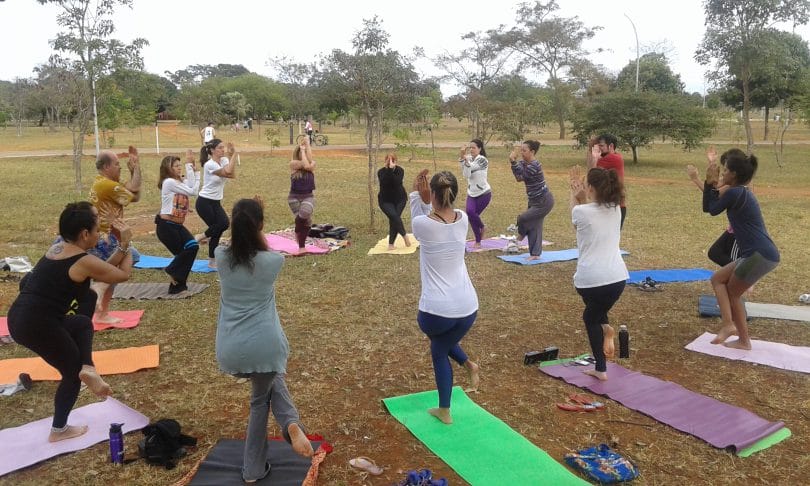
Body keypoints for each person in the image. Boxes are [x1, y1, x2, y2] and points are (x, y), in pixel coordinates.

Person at [7, 202, 132, 442]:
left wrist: (122, 247)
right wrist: (126, 243)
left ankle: (89, 368)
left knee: (83, 323)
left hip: (22, 317)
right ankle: (59, 430)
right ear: (85, 234)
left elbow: (104, 268)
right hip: (37, 324)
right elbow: (122, 274)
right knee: (71, 373)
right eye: (96, 230)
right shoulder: (82, 260)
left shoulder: (59, 249)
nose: (98, 234)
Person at [215, 198, 314, 482]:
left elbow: (231, 247)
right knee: (261, 396)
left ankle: (290, 427)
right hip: (266, 346)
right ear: (260, 226)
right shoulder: (274, 261)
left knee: (269, 379)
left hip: (230, 350)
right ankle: (283, 433)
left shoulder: (222, 257)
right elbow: (262, 251)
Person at [409, 169, 480, 425]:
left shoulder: (423, 225)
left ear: (434, 196)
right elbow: (431, 215)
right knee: (443, 340)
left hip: (434, 312)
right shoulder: (462, 219)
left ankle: (445, 410)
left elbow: (416, 220)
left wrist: (419, 195)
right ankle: (468, 364)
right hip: (468, 308)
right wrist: (428, 198)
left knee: (438, 349)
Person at [702, 149, 779, 350]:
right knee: (717, 279)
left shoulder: (735, 192)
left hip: (759, 254)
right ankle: (735, 332)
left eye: (725, 170)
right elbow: (708, 206)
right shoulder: (739, 191)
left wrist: (710, 183)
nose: (723, 173)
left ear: (734, 174)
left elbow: (712, 209)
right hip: (758, 253)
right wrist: (708, 183)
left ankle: (734, 331)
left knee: (733, 293)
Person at [569, 167, 629, 381]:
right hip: (618, 279)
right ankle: (605, 328)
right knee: (597, 309)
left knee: (589, 316)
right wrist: (583, 197)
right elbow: (590, 215)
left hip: (590, 280)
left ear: (591, 189)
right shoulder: (615, 210)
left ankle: (600, 369)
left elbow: (576, 220)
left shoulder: (580, 211)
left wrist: (574, 196)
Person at [88, 147, 142, 324]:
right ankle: (98, 290)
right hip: (106, 237)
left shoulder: (107, 184)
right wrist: (136, 168)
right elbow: (134, 189)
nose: (120, 167)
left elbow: (135, 195)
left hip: (109, 235)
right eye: (117, 164)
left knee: (121, 265)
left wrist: (133, 170)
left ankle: (101, 310)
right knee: (128, 259)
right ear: (106, 167)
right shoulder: (107, 185)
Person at [156, 150, 201, 294]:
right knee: (186, 252)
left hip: (177, 226)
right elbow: (193, 192)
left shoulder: (178, 181)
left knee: (191, 248)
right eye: (176, 166)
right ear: (168, 169)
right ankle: (173, 273)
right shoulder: (169, 182)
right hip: (166, 227)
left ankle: (177, 287)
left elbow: (192, 185)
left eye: (180, 165)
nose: (179, 167)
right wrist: (189, 165)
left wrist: (194, 172)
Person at [687, 146, 741, 267]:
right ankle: (739, 276)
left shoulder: (737, 186)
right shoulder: (732, 182)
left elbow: (712, 197)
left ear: (735, 171)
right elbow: (713, 190)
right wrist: (711, 163)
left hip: (741, 231)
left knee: (733, 263)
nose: (723, 172)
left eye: (726, 169)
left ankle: (744, 276)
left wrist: (696, 179)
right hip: (733, 228)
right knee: (715, 252)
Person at [508, 140, 555, 261]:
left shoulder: (535, 165)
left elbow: (522, 176)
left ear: (532, 151)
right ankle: (535, 254)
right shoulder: (524, 163)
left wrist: (513, 162)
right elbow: (518, 177)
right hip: (533, 200)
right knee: (535, 226)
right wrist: (513, 163)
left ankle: (518, 239)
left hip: (543, 201)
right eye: (521, 150)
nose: (522, 153)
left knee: (523, 218)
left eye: (524, 150)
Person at [196, 138, 238, 269]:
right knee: (221, 224)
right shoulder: (210, 164)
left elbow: (231, 175)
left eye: (223, 147)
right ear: (212, 150)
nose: (223, 149)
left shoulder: (224, 160)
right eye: (220, 147)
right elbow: (228, 172)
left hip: (216, 201)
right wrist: (234, 155)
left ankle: (211, 260)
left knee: (220, 227)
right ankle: (201, 237)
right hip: (204, 202)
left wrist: (230, 157)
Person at [587, 133, 627, 228]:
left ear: (611, 146)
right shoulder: (616, 156)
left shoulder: (612, 158)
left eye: (601, 146)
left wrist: (593, 155)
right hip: (612, 204)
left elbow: (591, 174)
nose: (599, 149)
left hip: (613, 206)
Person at [459, 138, 491, 249]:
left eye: (474, 147)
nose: (471, 150)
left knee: (472, 215)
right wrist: (463, 157)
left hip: (484, 193)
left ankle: (478, 240)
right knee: (470, 213)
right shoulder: (468, 158)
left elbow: (469, 169)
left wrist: (463, 158)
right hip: (471, 193)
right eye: (470, 147)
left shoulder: (482, 160)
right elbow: (466, 175)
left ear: (480, 149)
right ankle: (482, 227)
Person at [377, 152, 411, 250]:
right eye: (388, 160)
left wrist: (392, 170)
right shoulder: (381, 172)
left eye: (392, 160)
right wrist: (389, 170)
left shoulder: (400, 170)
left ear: (396, 161)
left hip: (400, 199)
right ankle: (405, 236)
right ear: (385, 161)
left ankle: (391, 245)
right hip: (385, 200)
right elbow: (384, 183)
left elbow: (396, 182)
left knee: (394, 219)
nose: (390, 162)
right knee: (394, 216)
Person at [288, 136, 316, 254]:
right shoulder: (293, 164)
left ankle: (297, 229)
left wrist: (307, 145)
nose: (303, 154)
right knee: (306, 222)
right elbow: (305, 165)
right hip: (294, 197)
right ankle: (302, 247)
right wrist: (303, 150)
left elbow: (308, 165)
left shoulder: (312, 163)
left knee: (304, 216)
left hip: (308, 196)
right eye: (301, 152)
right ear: (297, 153)